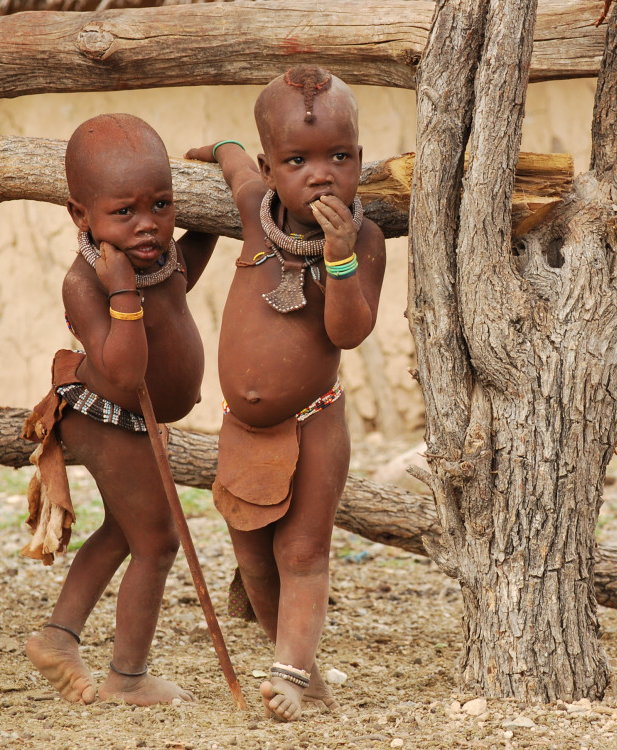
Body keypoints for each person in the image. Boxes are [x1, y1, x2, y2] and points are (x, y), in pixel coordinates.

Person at [185, 65, 385, 721]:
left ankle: (289, 674)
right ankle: (304, 675)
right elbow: (239, 163)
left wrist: (340, 255)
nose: (321, 174)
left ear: (361, 157)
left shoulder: (364, 241)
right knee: (255, 561)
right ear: (273, 171)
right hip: (243, 432)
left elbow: (347, 332)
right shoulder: (253, 212)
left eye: (340, 156)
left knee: (301, 555)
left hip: (314, 423)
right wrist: (219, 151)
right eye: (297, 160)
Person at [22, 113, 218, 706]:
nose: (149, 226)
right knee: (156, 541)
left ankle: (57, 638)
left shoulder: (158, 258)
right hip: (106, 419)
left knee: (122, 532)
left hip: (131, 419)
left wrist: (216, 201)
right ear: (80, 216)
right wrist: (123, 291)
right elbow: (125, 371)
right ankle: (127, 678)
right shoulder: (86, 282)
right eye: (124, 212)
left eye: (162, 205)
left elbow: (180, 283)